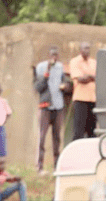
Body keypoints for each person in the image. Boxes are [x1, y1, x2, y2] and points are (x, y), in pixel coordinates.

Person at [33, 46, 69, 174]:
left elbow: (66, 83)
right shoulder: (41, 67)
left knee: (57, 137)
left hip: (58, 107)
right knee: (42, 137)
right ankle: (39, 167)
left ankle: (56, 166)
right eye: (52, 55)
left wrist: (65, 86)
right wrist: (47, 73)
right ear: (48, 55)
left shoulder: (60, 67)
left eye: (56, 55)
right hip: (45, 107)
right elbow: (38, 87)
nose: (54, 57)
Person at [68, 41, 97, 140]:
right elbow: (80, 79)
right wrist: (91, 77)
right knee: (79, 131)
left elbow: (98, 78)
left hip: (93, 100)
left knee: (92, 131)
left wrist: (88, 77)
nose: (87, 50)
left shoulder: (94, 62)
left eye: (88, 48)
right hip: (80, 100)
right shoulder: (74, 61)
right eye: (85, 48)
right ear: (80, 50)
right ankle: (75, 154)